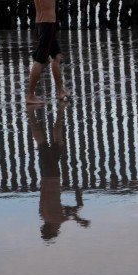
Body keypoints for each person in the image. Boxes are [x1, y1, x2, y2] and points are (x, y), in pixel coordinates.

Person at [25, 0, 84, 104]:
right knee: (39, 60)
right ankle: (30, 96)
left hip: (39, 25)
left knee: (56, 57)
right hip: (48, 25)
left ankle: (60, 91)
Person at [27, 103, 89, 241]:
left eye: (56, 231)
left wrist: (78, 193)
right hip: (45, 176)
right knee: (46, 144)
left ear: (52, 229)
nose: (58, 229)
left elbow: (75, 209)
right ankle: (38, 115)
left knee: (54, 142)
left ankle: (49, 112)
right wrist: (76, 217)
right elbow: (63, 208)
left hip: (53, 175)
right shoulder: (43, 215)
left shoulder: (56, 219)